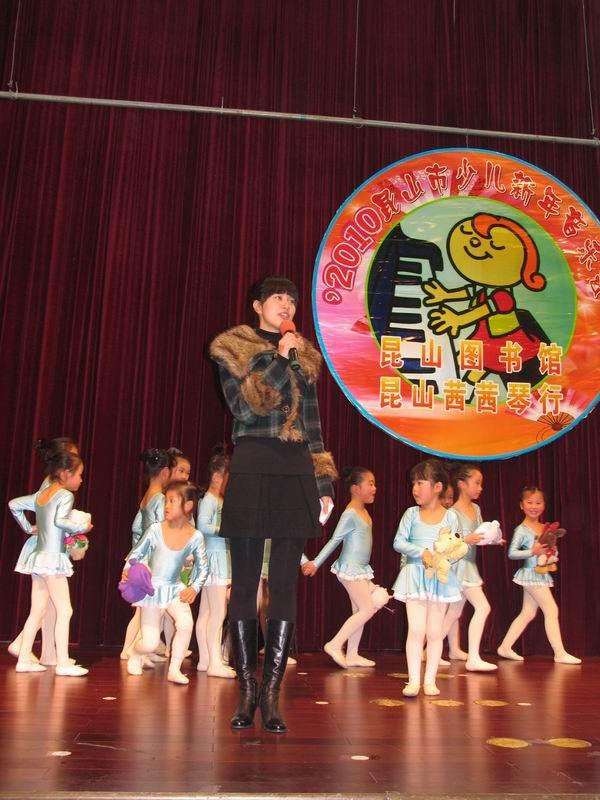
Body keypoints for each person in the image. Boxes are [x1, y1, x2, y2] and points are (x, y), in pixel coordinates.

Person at [209, 276, 336, 733]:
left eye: (293, 299)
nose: (287, 304)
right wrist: (281, 359)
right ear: (257, 305)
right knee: (245, 582)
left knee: (284, 584)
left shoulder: (306, 355)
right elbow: (246, 409)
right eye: (279, 297)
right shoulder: (232, 347)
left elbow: (313, 423)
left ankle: (271, 694)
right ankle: (246, 691)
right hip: (253, 463)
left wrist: (323, 481)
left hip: (295, 469)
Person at [12, 449, 92, 676]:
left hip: (38, 558)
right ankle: (63, 663)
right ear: (66, 473)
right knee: (65, 610)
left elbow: (14, 504)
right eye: (79, 474)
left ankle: (24, 660)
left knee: (36, 611)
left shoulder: (41, 495)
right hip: (53, 559)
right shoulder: (64, 495)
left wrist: (28, 528)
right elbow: (60, 521)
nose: (81, 480)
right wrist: (83, 526)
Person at [123, 481, 208, 684]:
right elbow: (136, 553)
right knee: (150, 643)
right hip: (152, 590)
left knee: (186, 624)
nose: (166, 506)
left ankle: (175, 669)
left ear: (188, 506)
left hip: (175, 588)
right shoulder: (155, 530)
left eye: (172, 501)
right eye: (166, 501)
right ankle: (135, 653)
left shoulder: (195, 536)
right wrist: (128, 569)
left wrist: (194, 587)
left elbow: (203, 567)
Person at [392, 459, 464, 697]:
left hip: (440, 579)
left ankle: (430, 680)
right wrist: (421, 552)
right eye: (413, 483)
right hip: (414, 576)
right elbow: (398, 542)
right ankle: (413, 681)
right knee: (416, 629)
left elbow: (457, 548)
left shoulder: (450, 517)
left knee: (434, 631)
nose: (414, 488)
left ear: (437, 487)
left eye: (420, 483)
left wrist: (444, 560)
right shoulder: (411, 514)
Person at [303, 467, 382, 668]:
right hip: (350, 569)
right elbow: (334, 540)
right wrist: (316, 563)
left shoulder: (364, 512)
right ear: (355, 488)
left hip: (360, 568)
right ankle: (334, 644)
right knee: (366, 609)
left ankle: (353, 654)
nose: (374, 488)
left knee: (359, 611)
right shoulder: (350, 513)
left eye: (374, 484)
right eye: (370, 483)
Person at [497, 486, 581, 665]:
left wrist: (552, 551)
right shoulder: (521, 529)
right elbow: (512, 553)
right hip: (530, 574)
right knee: (551, 610)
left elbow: (549, 548)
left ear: (543, 505)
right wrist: (532, 551)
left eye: (538, 503)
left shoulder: (544, 528)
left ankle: (505, 647)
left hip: (541, 574)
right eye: (529, 502)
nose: (534, 506)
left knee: (527, 613)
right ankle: (559, 653)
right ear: (521, 505)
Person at [440, 463, 499, 671]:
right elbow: (447, 542)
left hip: (469, 566)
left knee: (454, 612)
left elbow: (480, 534)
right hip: (459, 567)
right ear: (462, 484)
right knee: (483, 607)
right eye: (477, 483)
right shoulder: (452, 513)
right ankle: (473, 658)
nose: (480, 488)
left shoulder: (476, 509)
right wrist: (467, 539)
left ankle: (430, 651)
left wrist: (492, 539)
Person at [121, 448, 174, 661]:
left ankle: (137, 650)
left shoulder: (146, 498)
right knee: (149, 607)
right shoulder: (160, 499)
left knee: (144, 609)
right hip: (154, 558)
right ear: (165, 472)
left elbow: (136, 527)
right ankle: (133, 650)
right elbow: (162, 529)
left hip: (145, 555)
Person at [195, 447, 236, 678]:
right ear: (217, 477)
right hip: (215, 558)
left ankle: (206, 659)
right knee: (218, 612)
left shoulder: (214, 499)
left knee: (208, 612)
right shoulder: (210, 499)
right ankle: (214, 662)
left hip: (215, 557)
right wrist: (226, 529)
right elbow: (202, 526)